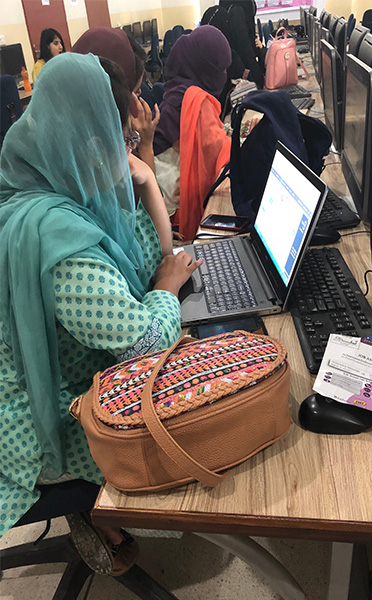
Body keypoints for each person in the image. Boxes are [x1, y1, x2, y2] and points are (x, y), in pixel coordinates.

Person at [0, 52, 201, 573]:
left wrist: (146, 179)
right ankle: (88, 500)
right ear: (93, 147)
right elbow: (145, 345)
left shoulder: (41, 183)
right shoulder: (61, 243)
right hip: (38, 425)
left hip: (45, 384)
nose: (128, 149)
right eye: (124, 139)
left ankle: (92, 510)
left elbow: (151, 256)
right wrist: (166, 289)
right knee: (198, 411)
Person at [153, 25, 232, 240]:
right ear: (204, 67)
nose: (223, 76)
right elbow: (214, 150)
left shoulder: (176, 90)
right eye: (219, 69)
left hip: (161, 202)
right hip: (173, 212)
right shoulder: (193, 100)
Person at [72, 27, 159, 175]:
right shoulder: (101, 150)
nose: (137, 101)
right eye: (135, 92)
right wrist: (145, 146)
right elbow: (144, 189)